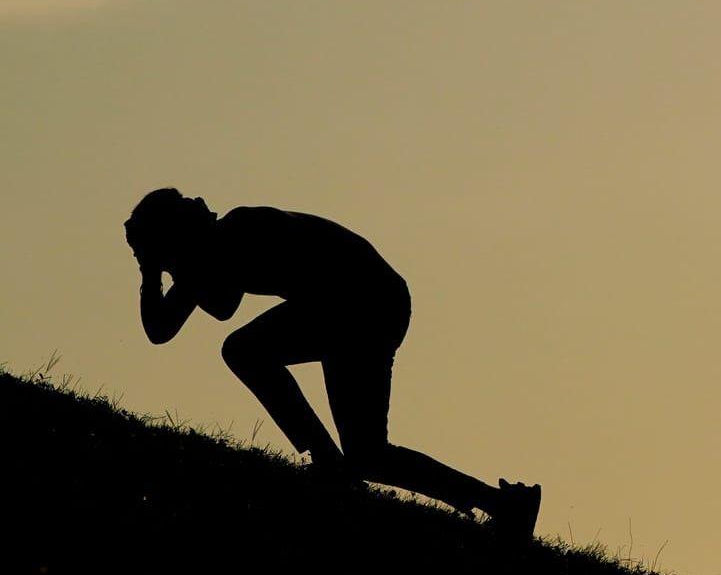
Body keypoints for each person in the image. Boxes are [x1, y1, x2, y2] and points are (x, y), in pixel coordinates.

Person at [123, 187, 540, 539]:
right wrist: (151, 270)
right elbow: (168, 327)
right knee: (368, 455)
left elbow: (211, 308)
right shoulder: (216, 247)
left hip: (362, 301)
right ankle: (501, 504)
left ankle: (328, 462)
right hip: (358, 303)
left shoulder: (238, 230)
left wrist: (159, 265)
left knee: (244, 351)